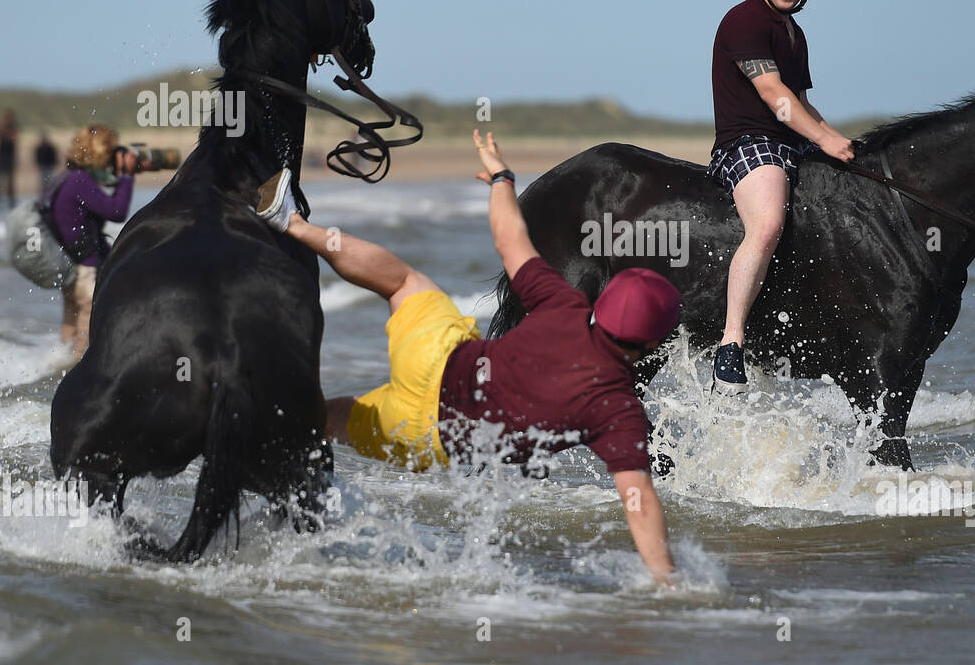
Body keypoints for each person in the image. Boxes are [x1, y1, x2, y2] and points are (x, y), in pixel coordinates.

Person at [255, 131, 681, 584]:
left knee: (403, 283)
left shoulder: (564, 306)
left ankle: (293, 225)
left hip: (434, 359)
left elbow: (510, 238)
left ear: (604, 305)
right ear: (652, 345)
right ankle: (270, 444)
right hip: (426, 436)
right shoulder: (618, 409)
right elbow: (639, 503)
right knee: (330, 420)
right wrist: (666, 582)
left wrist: (500, 177)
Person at [706, 0, 856, 392]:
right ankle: (730, 343)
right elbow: (775, 96)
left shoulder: (795, 33)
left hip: (792, 140)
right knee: (768, 223)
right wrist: (823, 141)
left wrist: (839, 141)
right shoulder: (744, 21)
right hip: (748, 141)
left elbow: (803, 104)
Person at [47, 126, 138, 358]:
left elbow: (94, 214)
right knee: (86, 335)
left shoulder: (67, 177)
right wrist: (126, 176)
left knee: (70, 325)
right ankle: (78, 376)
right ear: (102, 153)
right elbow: (116, 211)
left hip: (70, 266)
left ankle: (59, 373)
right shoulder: (80, 181)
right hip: (85, 270)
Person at [0, 109, 19, 210]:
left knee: (9, 182)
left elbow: (14, 138)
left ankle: (10, 201)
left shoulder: (13, 128)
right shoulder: (0, 128)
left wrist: (5, 132)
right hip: (1, 157)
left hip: (9, 158)